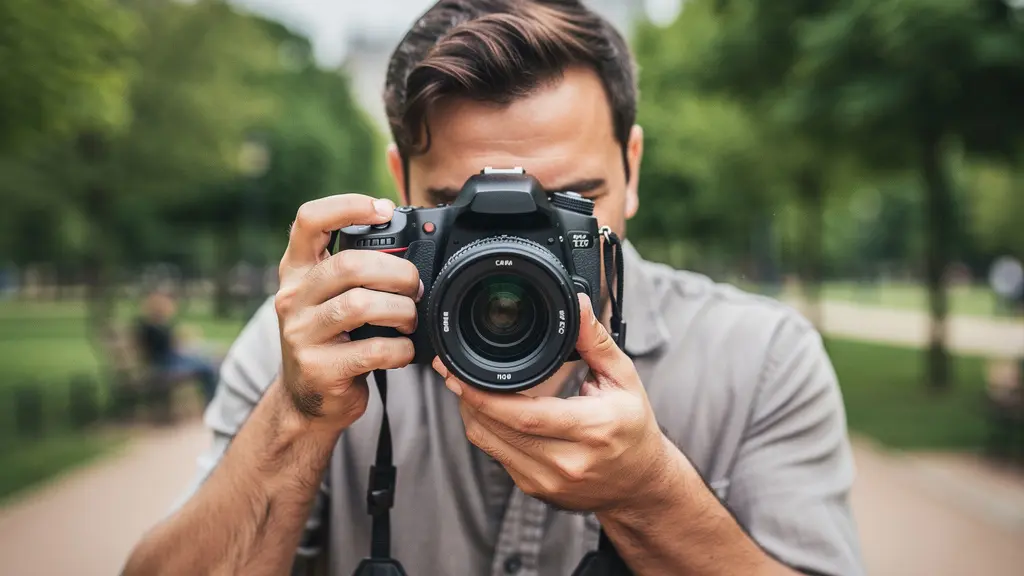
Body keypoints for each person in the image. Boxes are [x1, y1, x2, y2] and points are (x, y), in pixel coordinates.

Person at [123, 2, 864, 575]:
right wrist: (295, 416)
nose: (517, 260)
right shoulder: (317, 340)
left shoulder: (762, 357)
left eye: (569, 202)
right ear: (399, 187)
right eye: (464, 211)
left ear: (632, 169)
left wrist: (649, 495)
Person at [134, 290, 219, 405]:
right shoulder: (153, 328)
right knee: (207, 367)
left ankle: (213, 401)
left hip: (166, 361)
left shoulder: (151, 326)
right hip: (164, 366)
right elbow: (172, 345)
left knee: (206, 361)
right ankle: (212, 402)